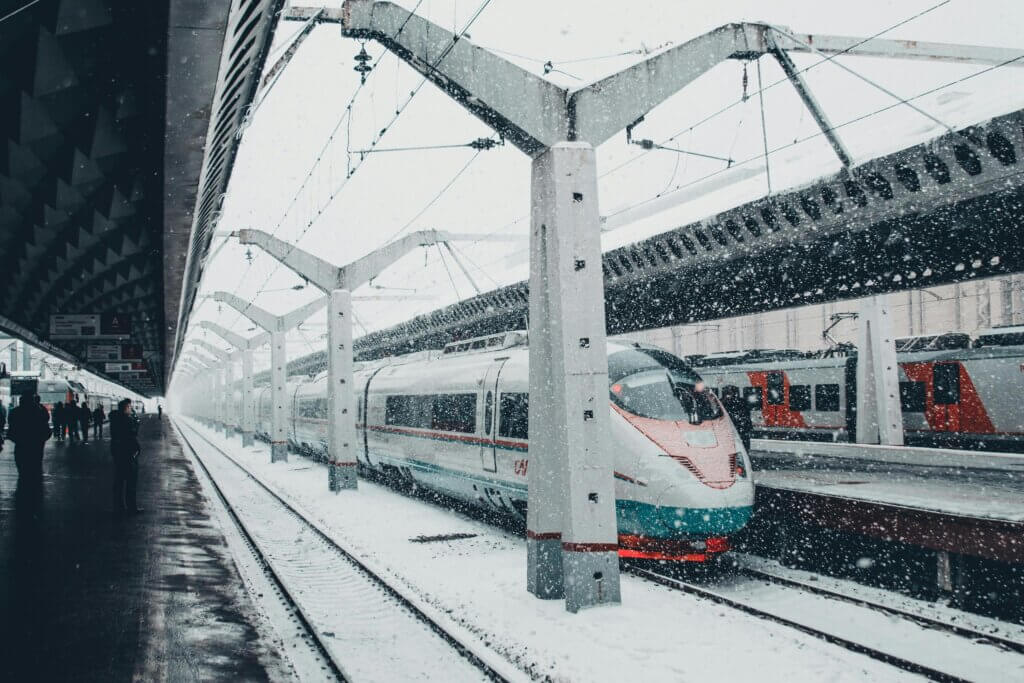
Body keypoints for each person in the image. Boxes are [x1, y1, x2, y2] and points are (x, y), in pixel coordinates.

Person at [6, 393, 51, 482]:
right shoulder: (39, 411)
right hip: (36, 443)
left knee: (21, 464)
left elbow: (11, 428)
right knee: (35, 463)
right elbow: (45, 426)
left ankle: (24, 482)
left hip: (21, 443)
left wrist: (15, 438)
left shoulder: (16, 412)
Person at [110, 398, 142, 513]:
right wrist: (136, 421)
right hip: (128, 454)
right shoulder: (127, 420)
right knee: (131, 482)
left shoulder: (115, 419)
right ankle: (131, 508)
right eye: (129, 407)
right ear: (126, 408)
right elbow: (133, 433)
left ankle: (118, 507)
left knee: (119, 482)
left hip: (118, 453)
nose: (131, 409)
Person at [720, 385, 754, 453]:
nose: (729, 395)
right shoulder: (741, 402)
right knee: (741, 447)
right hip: (739, 428)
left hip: (735, 428)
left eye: (730, 393)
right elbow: (746, 415)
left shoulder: (722, 402)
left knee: (737, 447)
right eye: (728, 393)